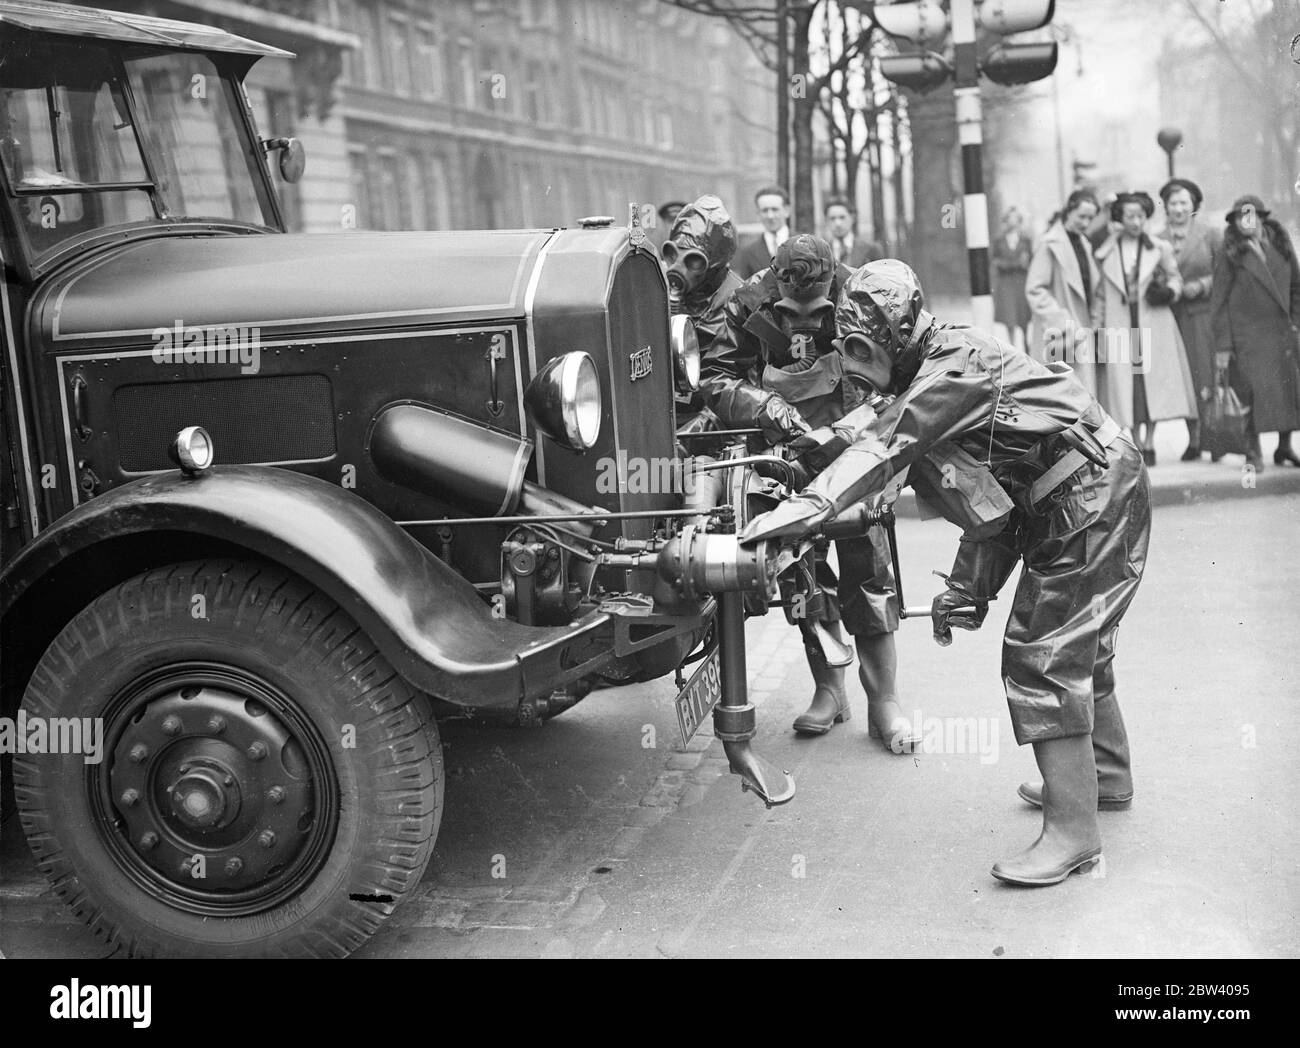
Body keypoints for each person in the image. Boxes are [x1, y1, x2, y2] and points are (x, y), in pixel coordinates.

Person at [741, 259, 1150, 886]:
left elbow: (885, 448)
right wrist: (968, 588)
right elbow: (990, 509)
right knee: (1078, 643)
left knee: (1044, 652)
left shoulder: (953, 367)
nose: (852, 362)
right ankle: (1106, 777)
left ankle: (1074, 833)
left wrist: (810, 507)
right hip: (1071, 491)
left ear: (897, 335)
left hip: (1087, 492)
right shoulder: (925, 377)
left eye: (861, 346)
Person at [703, 235, 918, 750]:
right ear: (776, 284)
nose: (803, 318)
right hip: (785, 449)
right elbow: (713, 375)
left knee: (869, 567)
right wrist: (763, 408)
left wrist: (863, 421)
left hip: (857, 447)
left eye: (816, 308)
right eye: (791, 310)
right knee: (802, 572)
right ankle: (829, 688)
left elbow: (904, 369)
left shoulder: (864, 294)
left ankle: (884, 702)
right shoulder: (747, 302)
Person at [1094, 190, 1198, 465]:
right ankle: (1136, 441)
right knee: (1126, 386)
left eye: (1141, 216)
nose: (1136, 222)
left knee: (1151, 384)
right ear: (1119, 218)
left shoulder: (1158, 247)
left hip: (1152, 321)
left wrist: (1168, 292)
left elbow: (1175, 277)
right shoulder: (1106, 251)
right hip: (1120, 325)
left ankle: (1150, 441)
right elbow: (1101, 295)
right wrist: (1096, 327)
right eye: (1130, 216)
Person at [1210, 194, 1300, 471]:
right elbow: (1219, 303)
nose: (1245, 221)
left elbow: (1296, 288)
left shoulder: (1282, 247)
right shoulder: (1231, 255)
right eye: (1239, 217)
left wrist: (1295, 323)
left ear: (1262, 217)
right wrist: (1223, 347)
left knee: (1288, 393)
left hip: (1281, 334)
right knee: (1249, 395)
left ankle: (1284, 447)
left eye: (1250, 215)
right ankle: (1252, 452)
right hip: (1247, 338)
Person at [660, 195, 742, 431]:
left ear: (715, 263)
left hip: (713, 427)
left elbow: (736, 391)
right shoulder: (659, 295)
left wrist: (692, 436)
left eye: (693, 261)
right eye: (673, 254)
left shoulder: (740, 303)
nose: (679, 268)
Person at [1156, 179, 1222, 461]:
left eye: (1184, 202)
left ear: (1194, 205)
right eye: (1173, 203)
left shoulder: (1210, 234)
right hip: (1171, 317)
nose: (1179, 208)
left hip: (1202, 315)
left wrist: (1202, 286)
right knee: (1182, 379)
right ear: (1166, 207)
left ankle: (1212, 436)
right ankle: (1193, 436)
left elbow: (1225, 273)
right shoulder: (1156, 239)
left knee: (1204, 374)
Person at [1025, 190, 1101, 394]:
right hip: (1059, 334)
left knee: (1079, 396)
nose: (1085, 223)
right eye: (1081, 216)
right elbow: (1035, 289)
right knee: (1061, 396)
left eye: (1090, 218)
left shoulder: (1083, 243)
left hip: (1081, 332)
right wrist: (1061, 320)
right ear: (1069, 212)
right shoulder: (1050, 243)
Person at [991, 206, 1033, 349]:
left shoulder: (1025, 239)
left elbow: (1029, 260)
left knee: (1023, 315)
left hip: (1021, 281)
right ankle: (1013, 346)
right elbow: (995, 260)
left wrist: (1023, 264)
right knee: (1009, 317)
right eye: (1010, 218)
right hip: (1006, 282)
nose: (1012, 222)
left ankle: (1027, 344)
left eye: (1015, 218)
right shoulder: (999, 240)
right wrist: (1014, 264)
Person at [734, 185, 792, 280]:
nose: (770, 216)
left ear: (786, 211)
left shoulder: (805, 244)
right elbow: (747, 290)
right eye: (765, 210)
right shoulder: (748, 253)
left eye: (775, 209)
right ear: (758, 214)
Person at [823, 196, 884, 267]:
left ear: (852, 218)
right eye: (832, 218)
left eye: (842, 217)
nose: (838, 223)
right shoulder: (822, 253)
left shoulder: (872, 249)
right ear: (826, 221)